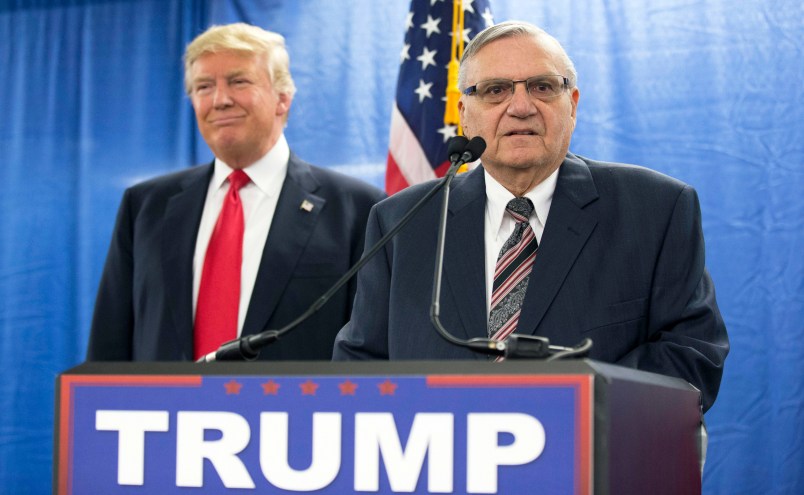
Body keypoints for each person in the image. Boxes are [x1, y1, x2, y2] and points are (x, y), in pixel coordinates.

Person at [333, 21, 728, 412]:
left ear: (571, 104)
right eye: (495, 90)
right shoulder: (402, 222)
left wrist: (557, 413)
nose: (520, 107)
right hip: (439, 465)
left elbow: (691, 354)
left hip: (594, 461)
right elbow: (360, 366)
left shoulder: (655, 210)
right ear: (464, 113)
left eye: (541, 87)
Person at [87, 23, 384, 362]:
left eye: (238, 81)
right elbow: (109, 347)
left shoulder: (358, 209)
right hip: (165, 412)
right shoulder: (144, 207)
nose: (220, 100)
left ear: (283, 98)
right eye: (204, 86)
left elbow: (369, 350)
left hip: (292, 412)